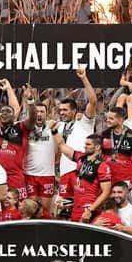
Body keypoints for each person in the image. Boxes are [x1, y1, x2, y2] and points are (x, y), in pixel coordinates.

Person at [51, 124, 111, 223]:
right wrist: (54, 131)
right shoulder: (81, 158)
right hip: (76, 207)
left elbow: (106, 192)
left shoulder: (103, 166)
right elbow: (62, 146)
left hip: (88, 209)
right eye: (85, 144)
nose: (85, 146)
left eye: (88, 144)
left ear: (97, 147)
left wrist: (90, 210)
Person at [57, 68, 97, 209]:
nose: (61, 113)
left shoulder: (85, 123)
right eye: (60, 110)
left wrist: (84, 78)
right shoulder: (59, 126)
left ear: (74, 111)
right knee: (63, 211)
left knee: (81, 207)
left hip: (81, 172)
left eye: (65, 110)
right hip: (64, 173)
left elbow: (92, 101)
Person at [99, 106, 132, 187]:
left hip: (124, 180)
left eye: (111, 118)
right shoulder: (104, 134)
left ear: (120, 120)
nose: (107, 120)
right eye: (107, 118)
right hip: (106, 179)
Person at [24, 102, 57, 216]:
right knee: (31, 210)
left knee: (46, 212)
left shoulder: (53, 126)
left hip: (47, 174)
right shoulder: (25, 128)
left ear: (47, 114)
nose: (39, 114)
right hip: (29, 174)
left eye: (42, 112)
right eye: (36, 112)